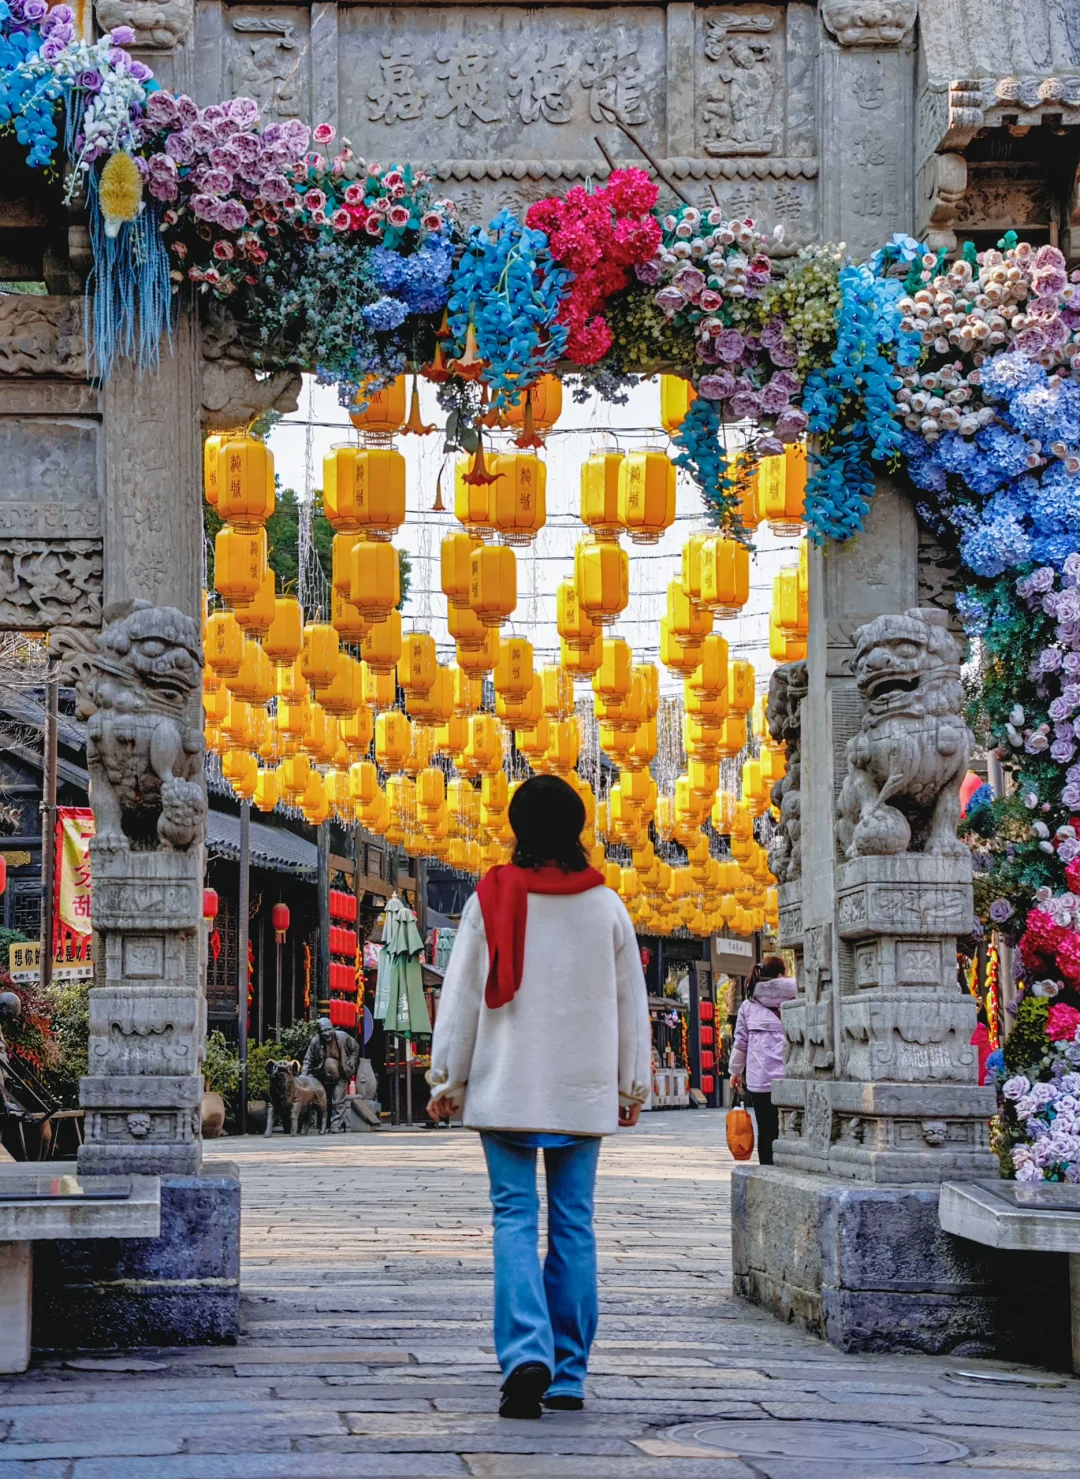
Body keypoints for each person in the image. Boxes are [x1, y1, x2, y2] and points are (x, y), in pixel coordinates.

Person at [426, 775, 651, 1420]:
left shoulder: (491, 896)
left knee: (514, 1221)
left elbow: (464, 994)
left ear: (519, 829)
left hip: (507, 1087)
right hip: (581, 1094)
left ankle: (527, 1352)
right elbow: (629, 1003)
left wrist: (449, 1079)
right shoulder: (605, 905)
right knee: (575, 1224)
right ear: (576, 830)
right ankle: (569, 1373)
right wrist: (629, 1085)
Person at [727, 956, 797, 1166]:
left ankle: (767, 1168)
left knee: (765, 1129)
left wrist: (735, 1072)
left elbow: (741, 1043)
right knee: (792, 1129)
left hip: (761, 1079)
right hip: (790, 1076)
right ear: (780, 976)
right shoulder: (796, 999)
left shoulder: (748, 1007)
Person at [301, 1016, 360, 1131]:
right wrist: (303, 1076)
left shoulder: (343, 1037)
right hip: (321, 1075)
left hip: (340, 1073)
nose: (327, 1033)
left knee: (338, 1100)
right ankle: (324, 1124)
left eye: (328, 1029)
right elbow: (308, 1059)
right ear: (319, 1032)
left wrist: (352, 1059)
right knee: (322, 1101)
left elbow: (355, 1048)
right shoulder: (315, 1041)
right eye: (323, 1031)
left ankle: (336, 1125)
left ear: (333, 1028)